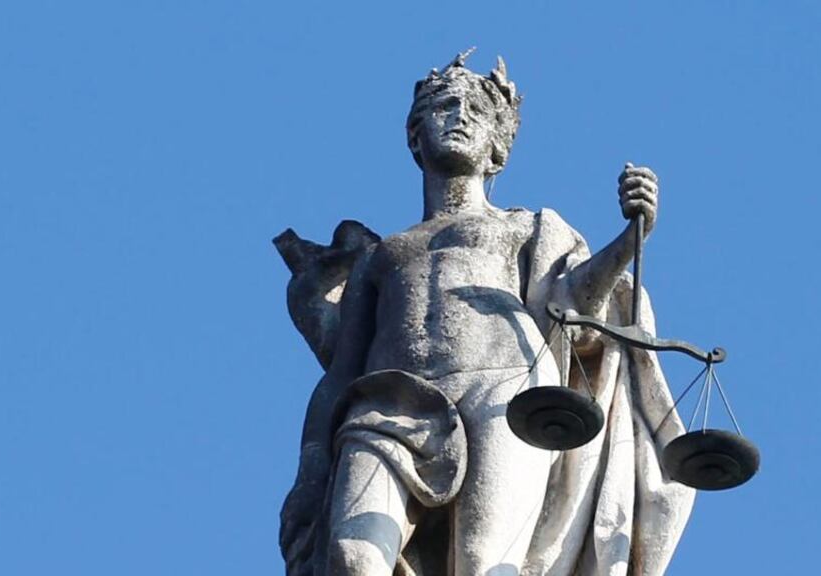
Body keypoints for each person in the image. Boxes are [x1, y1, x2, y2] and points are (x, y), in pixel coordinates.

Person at [278, 50, 694, 576]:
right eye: (445, 106)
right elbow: (341, 375)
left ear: (498, 147)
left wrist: (631, 238)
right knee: (353, 557)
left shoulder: (526, 228)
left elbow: (574, 312)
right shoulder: (384, 256)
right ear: (414, 136)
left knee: (484, 563)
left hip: (505, 392)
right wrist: (312, 467)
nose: (460, 117)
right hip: (389, 400)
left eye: (476, 110)